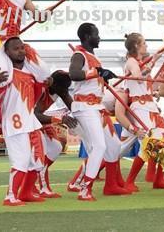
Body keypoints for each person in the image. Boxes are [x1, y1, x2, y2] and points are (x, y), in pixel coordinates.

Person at [0, 37, 50, 206]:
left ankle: (26, 193)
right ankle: (10, 196)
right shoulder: (4, 72)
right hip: (14, 123)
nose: (20, 51)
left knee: (38, 160)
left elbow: (36, 97)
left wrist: (47, 84)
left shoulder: (31, 72)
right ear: (7, 52)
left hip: (31, 122)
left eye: (22, 48)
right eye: (15, 49)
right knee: (21, 160)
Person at [67, 23, 130, 200]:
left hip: (97, 107)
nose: (99, 37)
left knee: (114, 146)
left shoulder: (92, 56)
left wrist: (103, 76)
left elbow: (94, 78)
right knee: (99, 146)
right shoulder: (79, 54)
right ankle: (85, 189)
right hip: (85, 108)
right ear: (87, 37)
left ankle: (110, 186)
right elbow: (73, 74)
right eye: (97, 34)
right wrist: (97, 72)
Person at [116, 32, 164, 192]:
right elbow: (138, 78)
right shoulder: (131, 62)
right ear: (136, 46)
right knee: (150, 142)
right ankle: (129, 181)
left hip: (150, 106)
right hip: (140, 106)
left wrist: (154, 59)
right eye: (144, 43)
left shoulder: (140, 62)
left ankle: (159, 179)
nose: (146, 45)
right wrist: (151, 63)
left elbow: (145, 76)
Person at [33, 70, 78, 198]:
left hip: (37, 121)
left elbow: (74, 108)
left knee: (55, 147)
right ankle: (42, 187)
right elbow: (35, 115)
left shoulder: (60, 90)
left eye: (67, 88)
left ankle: (36, 184)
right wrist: (59, 119)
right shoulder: (42, 91)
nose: (65, 92)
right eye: (64, 88)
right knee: (41, 153)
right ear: (53, 84)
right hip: (27, 123)